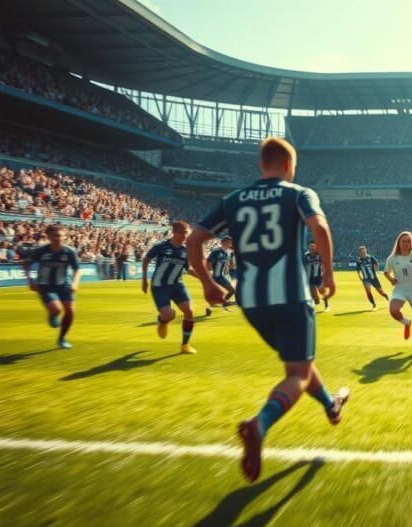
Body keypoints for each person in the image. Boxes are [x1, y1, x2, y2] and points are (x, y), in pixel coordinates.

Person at [186, 136, 350, 483]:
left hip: (251, 300)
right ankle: (260, 425)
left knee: (300, 364)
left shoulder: (232, 200)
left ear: (261, 165)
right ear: (290, 166)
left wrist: (207, 283)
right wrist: (329, 276)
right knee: (297, 374)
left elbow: (194, 240)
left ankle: (331, 406)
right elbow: (319, 227)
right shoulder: (298, 193)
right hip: (290, 294)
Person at [142, 221, 199, 354]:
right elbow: (146, 259)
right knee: (168, 315)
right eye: (182, 233)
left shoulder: (186, 251)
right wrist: (144, 280)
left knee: (189, 312)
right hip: (160, 285)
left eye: (186, 233)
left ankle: (185, 345)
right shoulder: (161, 246)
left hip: (177, 285)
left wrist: (204, 278)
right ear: (174, 232)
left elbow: (188, 269)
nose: (185, 236)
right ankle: (162, 321)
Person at [23, 225, 80, 349]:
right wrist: (31, 280)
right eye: (54, 235)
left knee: (70, 310)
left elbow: (77, 270)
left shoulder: (69, 252)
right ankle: (52, 314)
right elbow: (27, 265)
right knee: (57, 310)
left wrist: (75, 283)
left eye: (60, 235)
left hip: (64, 284)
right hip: (45, 285)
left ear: (65, 237)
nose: (57, 238)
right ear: (48, 236)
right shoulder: (40, 251)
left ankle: (62, 338)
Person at [206, 236, 236, 311]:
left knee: (232, 291)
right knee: (216, 294)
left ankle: (223, 304)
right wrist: (210, 272)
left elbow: (226, 264)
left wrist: (228, 268)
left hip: (220, 276)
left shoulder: (226, 253)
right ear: (225, 242)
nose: (231, 245)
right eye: (230, 243)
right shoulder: (216, 251)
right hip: (214, 276)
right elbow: (208, 262)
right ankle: (209, 308)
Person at [356, 245, 389, 310]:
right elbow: (358, 270)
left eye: (363, 250)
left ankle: (386, 296)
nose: (362, 252)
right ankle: (373, 304)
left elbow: (376, 264)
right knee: (368, 291)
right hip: (366, 279)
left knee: (380, 291)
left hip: (373, 278)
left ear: (365, 250)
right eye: (361, 251)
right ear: (359, 252)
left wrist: (376, 270)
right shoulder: (358, 260)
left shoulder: (371, 257)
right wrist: (360, 277)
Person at [304, 241, 329, 312]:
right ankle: (313, 306)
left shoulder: (319, 255)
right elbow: (303, 265)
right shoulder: (306, 256)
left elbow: (324, 263)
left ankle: (327, 305)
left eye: (313, 247)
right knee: (312, 294)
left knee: (322, 292)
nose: (312, 248)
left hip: (318, 277)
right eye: (310, 247)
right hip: (309, 277)